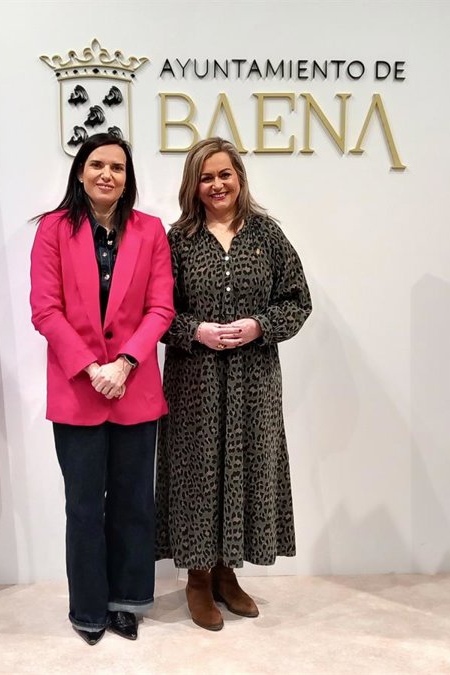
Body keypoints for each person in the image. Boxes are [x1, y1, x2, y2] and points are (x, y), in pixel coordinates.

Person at [155, 137, 312, 630]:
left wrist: (261, 326)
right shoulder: (177, 240)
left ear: (239, 178)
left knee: (246, 468)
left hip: (254, 381)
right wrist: (194, 330)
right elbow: (155, 312)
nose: (217, 184)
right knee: (198, 474)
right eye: (206, 177)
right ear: (193, 185)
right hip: (194, 381)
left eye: (225, 174)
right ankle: (197, 580)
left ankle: (226, 573)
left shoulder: (267, 235)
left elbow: (298, 301)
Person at [29, 133, 175, 645]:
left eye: (118, 167)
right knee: (85, 506)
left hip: (135, 388)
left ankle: (127, 601)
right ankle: (89, 606)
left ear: (128, 178)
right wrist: (93, 368)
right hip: (78, 389)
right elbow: (45, 310)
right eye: (97, 165)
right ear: (80, 172)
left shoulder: (151, 231)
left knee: (134, 502)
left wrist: (126, 362)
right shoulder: (53, 230)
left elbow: (161, 308)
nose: (107, 174)